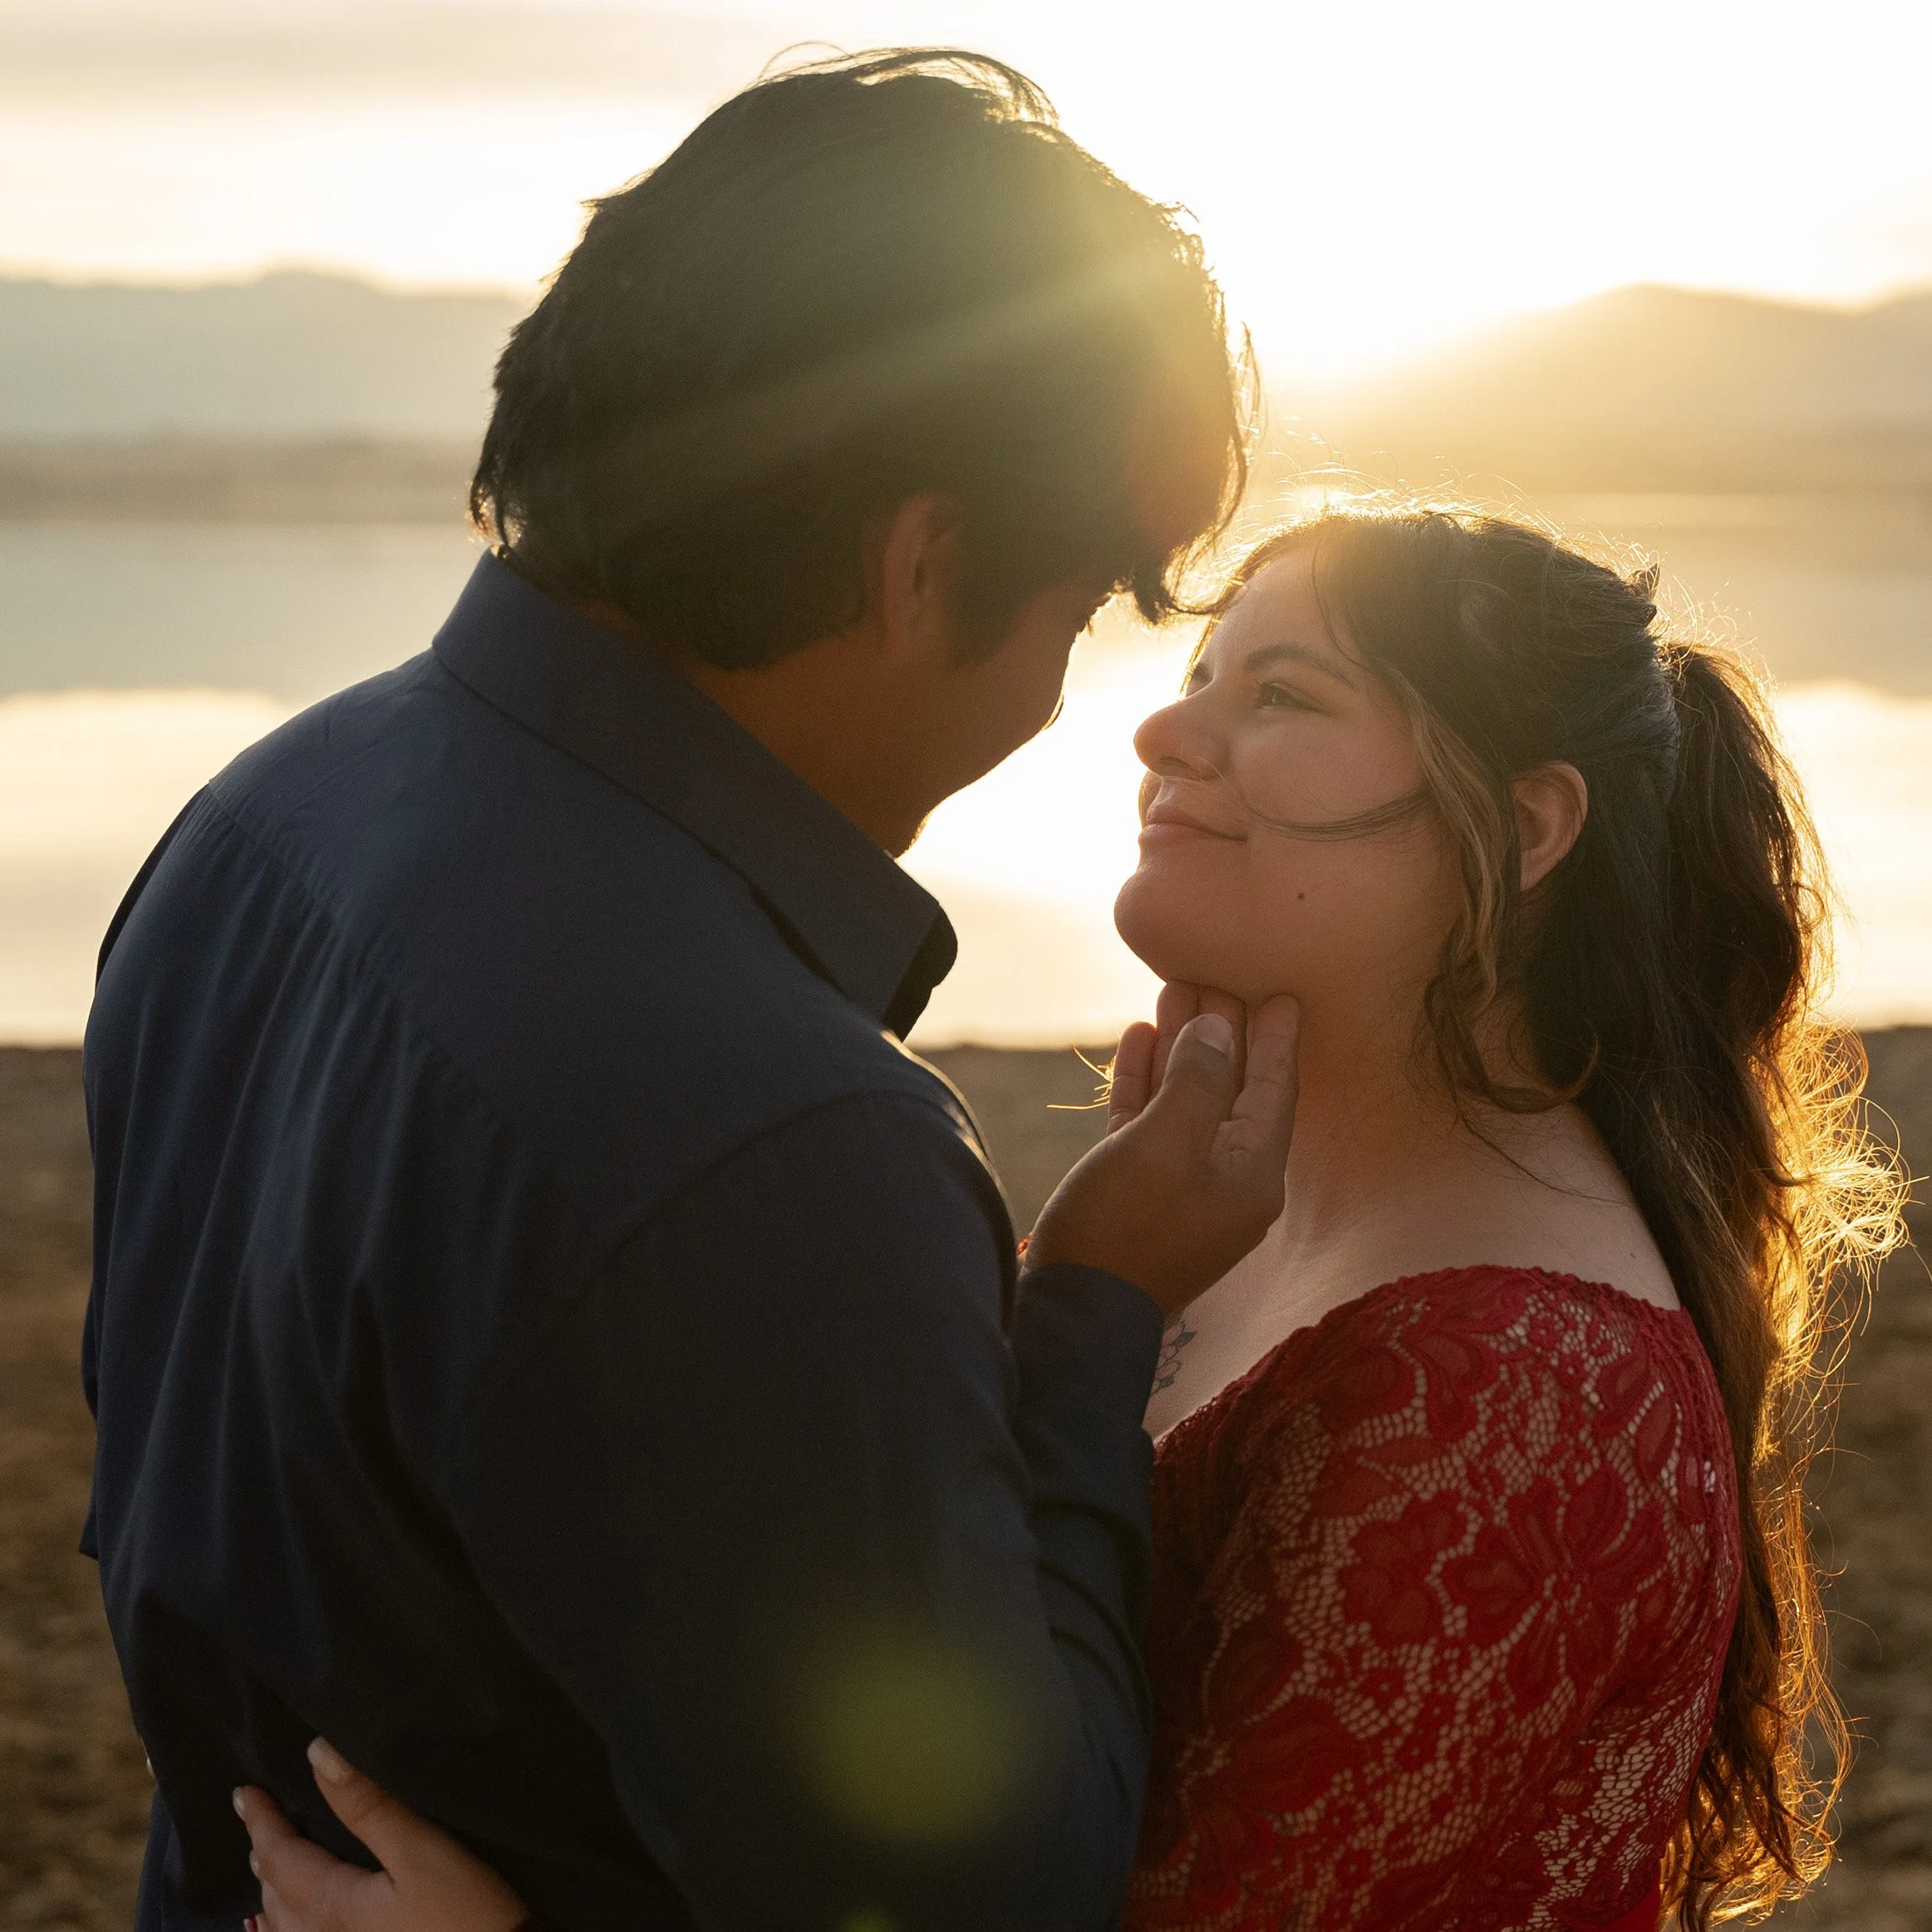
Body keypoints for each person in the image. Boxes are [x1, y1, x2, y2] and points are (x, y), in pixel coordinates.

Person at [236, 507, 1903, 1931]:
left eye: (1283, 694)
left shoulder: (1516, 1391)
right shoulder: (1233, 1212)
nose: (1165, 739)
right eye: (1192, 682)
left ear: (1527, 827)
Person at [82, 49, 1303, 1932]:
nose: (1083, 686)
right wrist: (1095, 1305)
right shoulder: (768, 1143)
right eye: (1079, 607)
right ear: (922, 564)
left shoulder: (265, 817)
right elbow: (981, 1893)